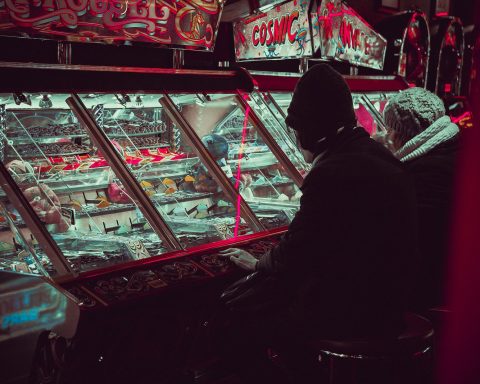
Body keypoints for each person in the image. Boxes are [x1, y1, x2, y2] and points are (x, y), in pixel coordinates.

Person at [216, 64, 418, 383]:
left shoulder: (332, 172)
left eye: (297, 130)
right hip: (387, 305)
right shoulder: (381, 157)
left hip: (348, 313)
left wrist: (258, 263)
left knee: (236, 318)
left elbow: (298, 253)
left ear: (311, 129)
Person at [382, 87, 460, 310]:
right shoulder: (454, 149)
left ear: (397, 135)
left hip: (435, 291)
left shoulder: (424, 175)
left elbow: (410, 247)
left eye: (389, 130)